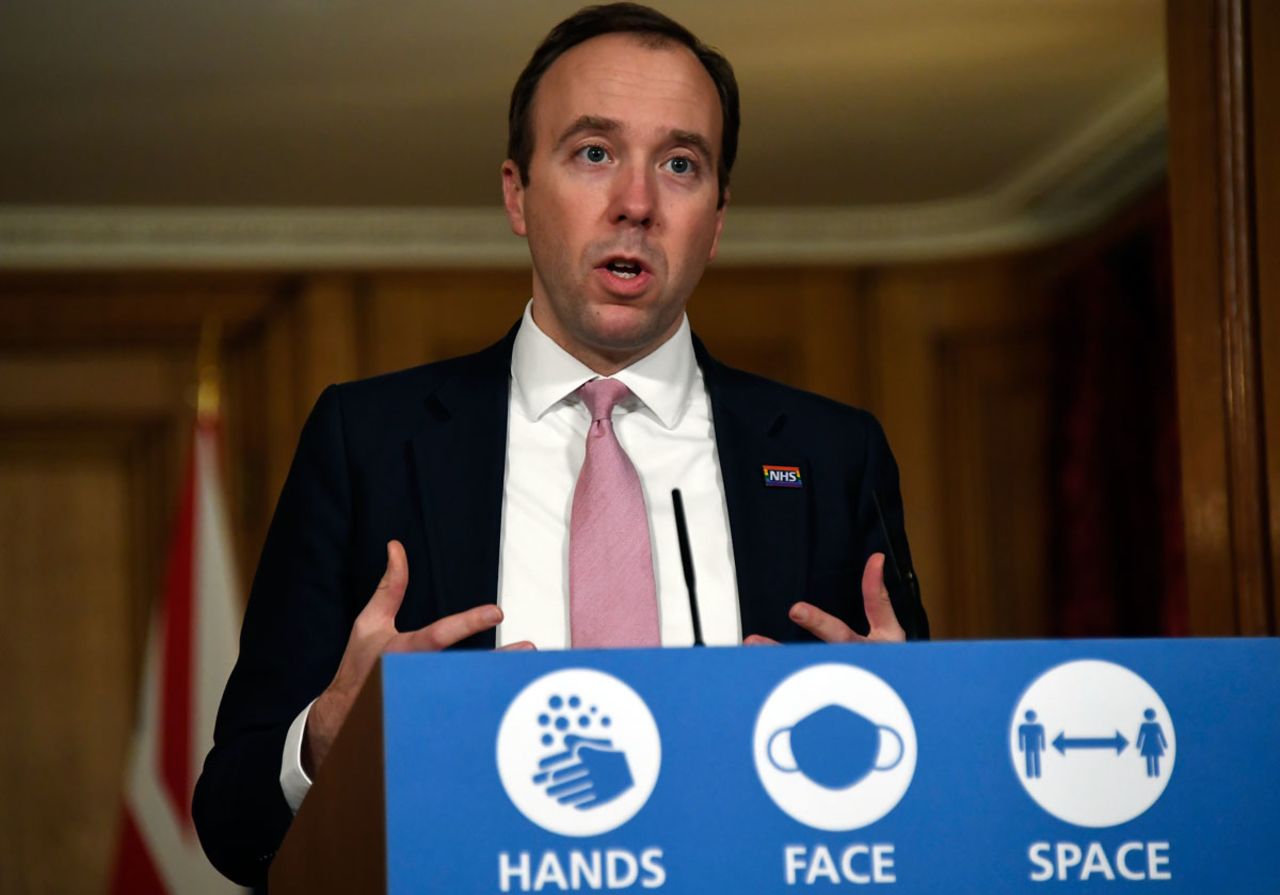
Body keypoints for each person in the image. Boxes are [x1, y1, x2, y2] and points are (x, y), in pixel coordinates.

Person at [193, 3, 928, 886]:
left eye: (681, 164)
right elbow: (233, 824)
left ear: (718, 218)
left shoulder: (831, 454)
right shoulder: (370, 441)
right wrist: (325, 736)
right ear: (516, 193)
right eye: (593, 152)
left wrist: (921, 737)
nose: (637, 203)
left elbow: (928, 817)